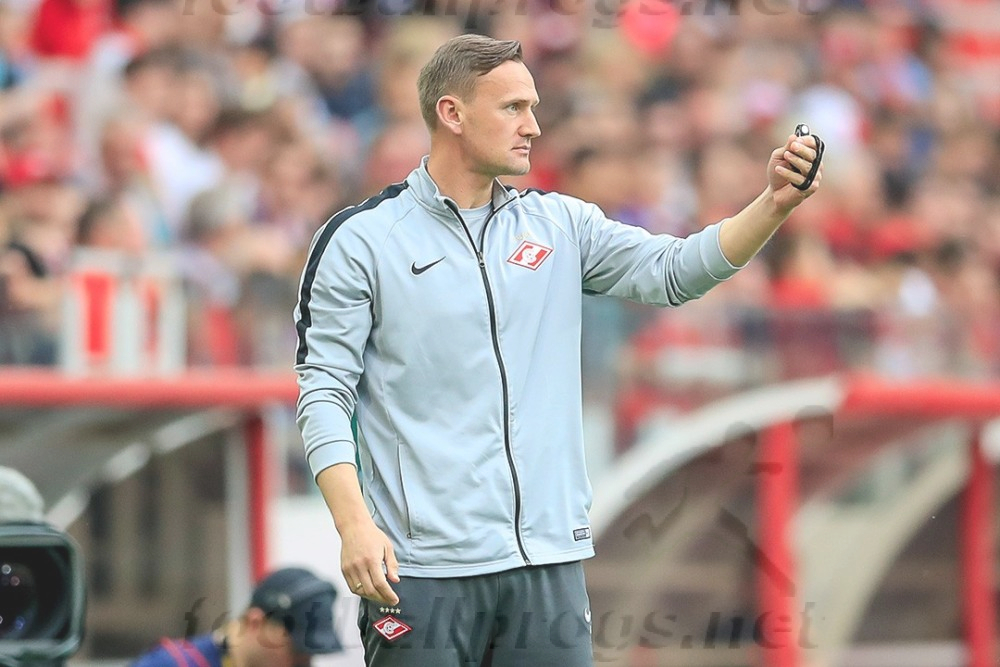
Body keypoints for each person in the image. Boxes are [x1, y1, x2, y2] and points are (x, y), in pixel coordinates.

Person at [293, 35, 822, 667]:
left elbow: (677, 272)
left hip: (548, 562)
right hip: (421, 570)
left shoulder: (561, 225)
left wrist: (773, 204)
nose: (533, 126)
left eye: (533, 107)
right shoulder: (361, 240)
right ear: (452, 113)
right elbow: (323, 392)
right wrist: (353, 523)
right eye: (513, 108)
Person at [130, 567, 342, 667]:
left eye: (308, 660)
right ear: (256, 623)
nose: (304, 666)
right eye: (297, 654)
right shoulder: (169, 664)